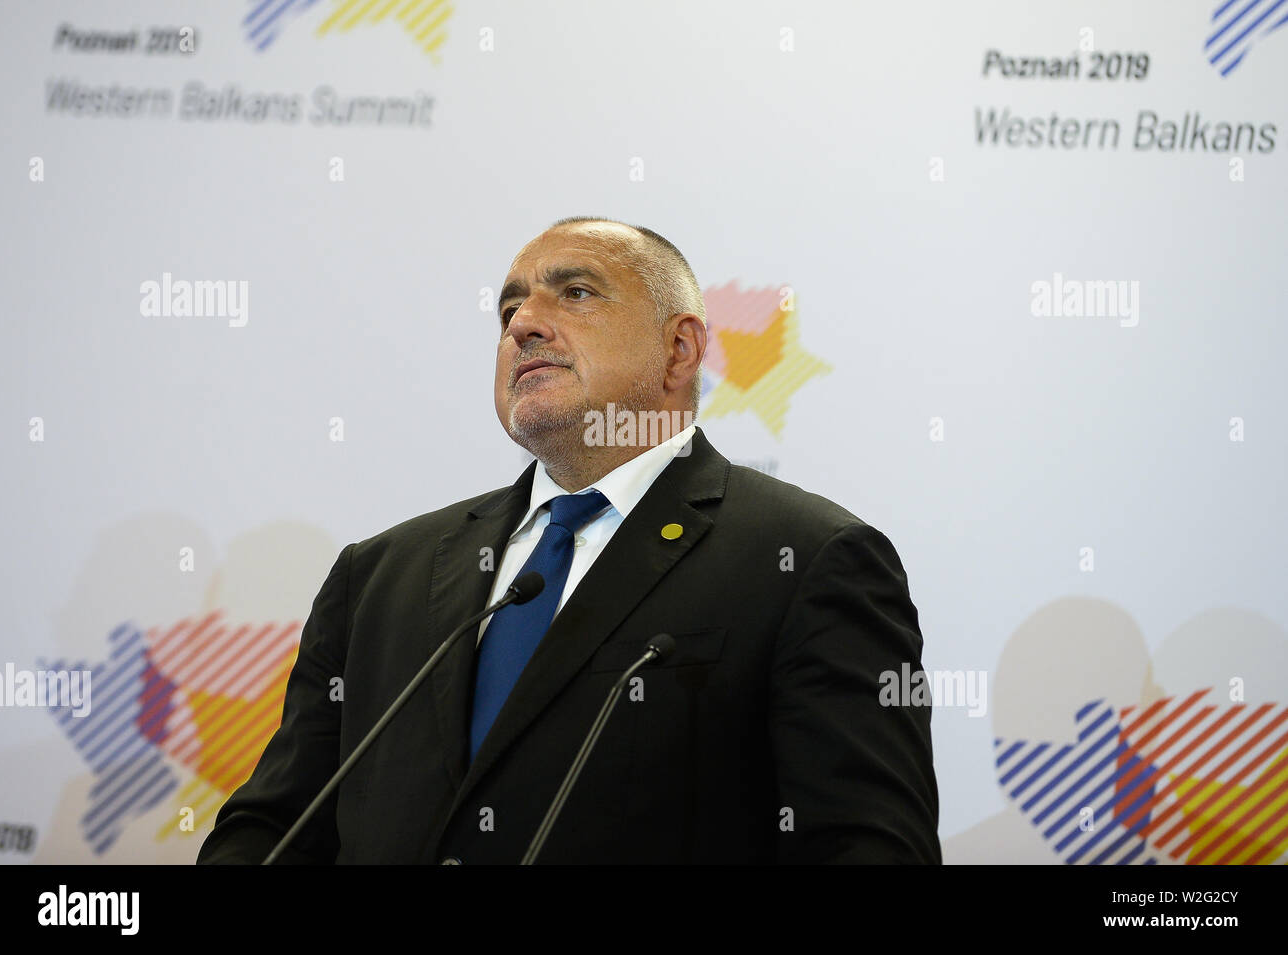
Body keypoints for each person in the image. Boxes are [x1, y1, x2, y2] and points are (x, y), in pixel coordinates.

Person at [197, 217, 941, 864]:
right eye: (509, 307)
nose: (522, 322)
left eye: (574, 292)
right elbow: (276, 828)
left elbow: (864, 846)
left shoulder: (807, 561)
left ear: (681, 351)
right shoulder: (380, 574)